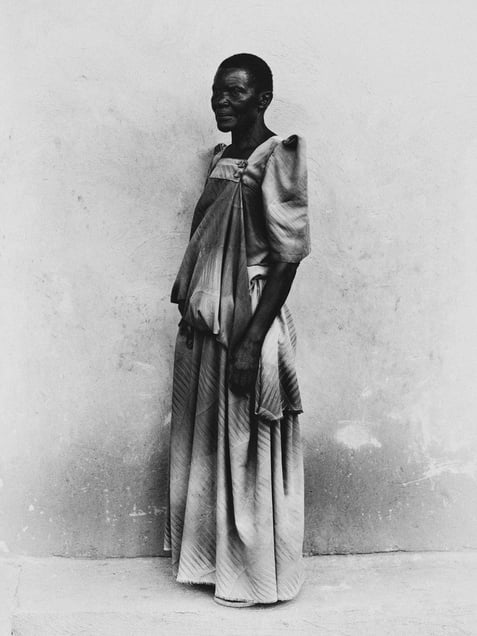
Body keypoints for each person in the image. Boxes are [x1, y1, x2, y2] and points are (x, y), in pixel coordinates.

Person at [164, 53, 311, 607]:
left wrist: (252, 341)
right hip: (209, 320)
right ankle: (212, 562)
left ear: (263, 99)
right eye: (216, 91)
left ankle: (254, 575)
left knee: (249, 446)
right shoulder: (221, 158)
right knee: (211, 443)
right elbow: (206, 243)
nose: (221, 101)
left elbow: (287, 258)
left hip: (250, 319)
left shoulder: (278, 156)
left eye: (235, 92)